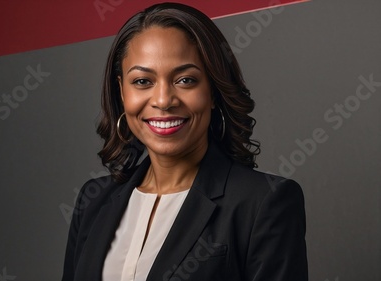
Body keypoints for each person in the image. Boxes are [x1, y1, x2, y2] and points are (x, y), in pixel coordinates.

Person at [62, 2, 308, 281]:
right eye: (143, 81)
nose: (164, 100)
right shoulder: (93, 201)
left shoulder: (263, 202)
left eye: (186, 80)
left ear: (213, 91)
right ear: (121, 90)